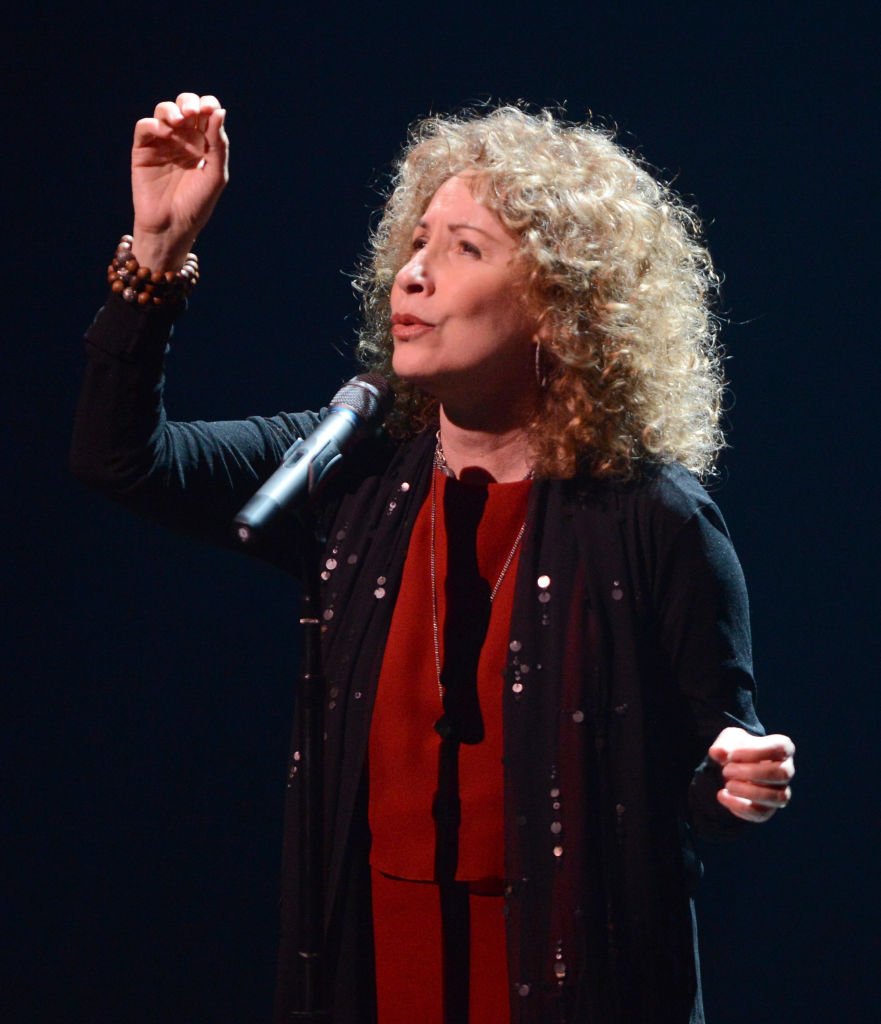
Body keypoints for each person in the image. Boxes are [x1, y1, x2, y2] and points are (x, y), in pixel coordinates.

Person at [71, 92, 795, 1024]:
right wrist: (158, 255)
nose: (412, 275)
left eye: (464, 249)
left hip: (572, 984)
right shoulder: (351, 471)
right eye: (415, 244)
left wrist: (734, 774)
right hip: (374, 969)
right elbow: (118, 459)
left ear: (563, 304)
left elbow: (711, 756)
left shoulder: (652, 519)